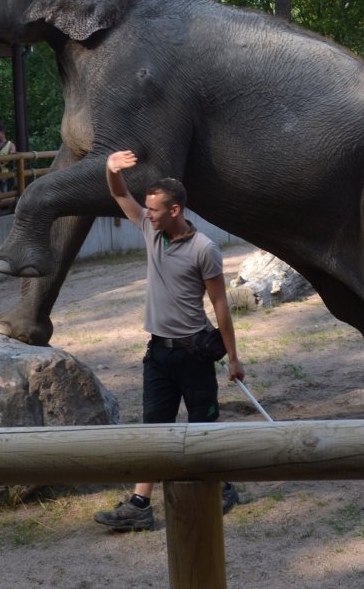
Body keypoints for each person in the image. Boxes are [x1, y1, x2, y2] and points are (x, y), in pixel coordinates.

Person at [93, 150, 244, 532]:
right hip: (158, 351)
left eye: (155, 209)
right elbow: (119, 196)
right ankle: (140, 504)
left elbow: (220, 304)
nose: (148, 213)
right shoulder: (149, 229)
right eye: (147, 208)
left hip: (194, 352)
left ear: (175, 210)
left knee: (202, 424)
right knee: (153, 428)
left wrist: (233, 356)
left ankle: (223, 486)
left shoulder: (204, 249)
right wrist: (111, 170)